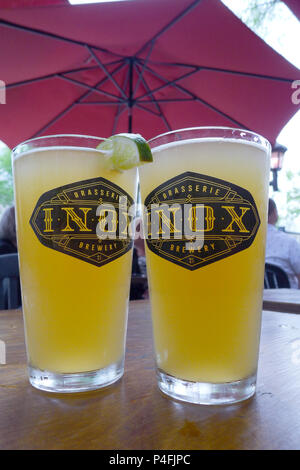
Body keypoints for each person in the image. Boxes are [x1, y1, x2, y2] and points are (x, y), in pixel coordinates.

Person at [266, 198, 300, 288]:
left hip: (257, 300)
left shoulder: (247, 246)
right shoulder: (290, 243)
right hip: (286, 300)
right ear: (274, 213)